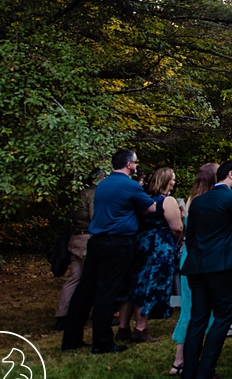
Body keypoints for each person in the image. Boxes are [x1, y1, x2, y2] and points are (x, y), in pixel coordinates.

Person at [62, 149, 159, 354]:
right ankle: (103, 341)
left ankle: (71, 338)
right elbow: (151, 208)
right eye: (135, 162)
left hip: (96, 241)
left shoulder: (104, 183)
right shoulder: (130, 185)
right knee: (107, 292)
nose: (135, 165)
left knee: (85, 291)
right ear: (129, 164)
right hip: (117, 243)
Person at [179, 160, 232, 379]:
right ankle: (206, 375)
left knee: (198, 319)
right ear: (231, 174)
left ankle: (188, 376)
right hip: (222, 266)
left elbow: (190, 237)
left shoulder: (199, 201)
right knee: (223, 317)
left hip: (197, 266)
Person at [118, 167, 183, 343]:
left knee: (133, 283)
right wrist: (176, 240)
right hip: (158, 245)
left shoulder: (143, 200)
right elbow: (177, 227)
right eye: (173, 179)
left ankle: (123, 327)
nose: (174, 182)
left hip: (140, 243)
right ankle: (140, 329)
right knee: (149, 284)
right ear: (167, 181)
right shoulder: (166, 201)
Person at [171, 163, 218, 376]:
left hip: (191, 258)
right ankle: (182, 358)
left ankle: (185, 356)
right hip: (201, 259)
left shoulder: (191, 201)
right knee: (194, 310)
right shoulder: (206, 203)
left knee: (192, 309)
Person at [54, 174, 99, 329]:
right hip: (87, 239)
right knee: (93, 277)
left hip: (74, 237)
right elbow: (95, 218)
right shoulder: (93, 194)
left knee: (74, 278)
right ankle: (92, 313)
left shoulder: (78, 193)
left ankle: (63, 313)